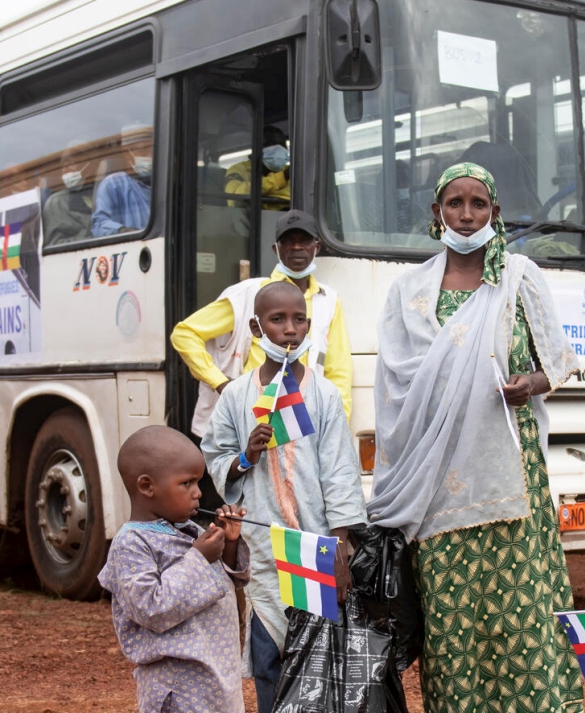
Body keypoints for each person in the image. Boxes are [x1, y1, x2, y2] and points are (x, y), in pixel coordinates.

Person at [366, 162, 583, 712]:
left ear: (495, 212)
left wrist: (527, 383)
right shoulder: (407, 289)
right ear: (436, 213)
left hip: (509, 470)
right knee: (451, 614)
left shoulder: (519, 275)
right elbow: (394, 388)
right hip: (435, 478)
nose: (466, 214)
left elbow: (556, 364)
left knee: (520, 608)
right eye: (455, 203)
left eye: (478, 203)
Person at [200, 280, 367, 713]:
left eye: (297, 320)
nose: (289, 330)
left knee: (318, 656)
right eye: (277, 320)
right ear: (257, 328)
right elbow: (214, 455)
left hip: (314, 547)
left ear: (309, 326)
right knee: (268, 655)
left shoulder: (324, 394)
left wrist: (340, 545)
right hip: (264, 550)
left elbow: (341, 472)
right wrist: (246, 455)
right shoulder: (237, 396)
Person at [97, 426, 251, 713]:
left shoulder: (188, 530)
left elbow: (221, 585)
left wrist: (228, 544)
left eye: (198, 483)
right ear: (146, 486)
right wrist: (199, 559)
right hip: (178, 690)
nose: (197, 494)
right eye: (187, 484)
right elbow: (151, 607)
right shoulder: (131, 543)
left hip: (218, 681)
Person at [170, 208, 352, 438]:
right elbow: (185, 333)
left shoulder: (328, 299)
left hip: (299, 420)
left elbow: (339, 370)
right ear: (276, 249)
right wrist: (221, 383)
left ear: (316, 248)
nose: (297, 247)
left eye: (304, 240)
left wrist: (338, 424)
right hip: (245, 415)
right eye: (288, 241)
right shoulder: (249, 293)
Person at [91, 131, 152, 237]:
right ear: (128, 154)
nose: (150, 155)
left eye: (152, 150)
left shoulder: (165, 181)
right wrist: (122, 231)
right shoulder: (113, 184)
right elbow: (99, 225)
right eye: (143, 151)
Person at [225, 125, 290, 210]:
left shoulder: (291, 171)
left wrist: (259, 201)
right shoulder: (239, 169)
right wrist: (281, 178)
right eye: (271, 144)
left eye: (282, 144)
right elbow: (235, 198)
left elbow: (292, 200)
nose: (278, 149)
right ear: (257, 148)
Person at [42, 142, 94, 246]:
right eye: (63, 165)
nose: (65, 169)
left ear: (87, 166)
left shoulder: (98, 193)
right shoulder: (56, 201)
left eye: (71, 163)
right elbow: (55, 244)